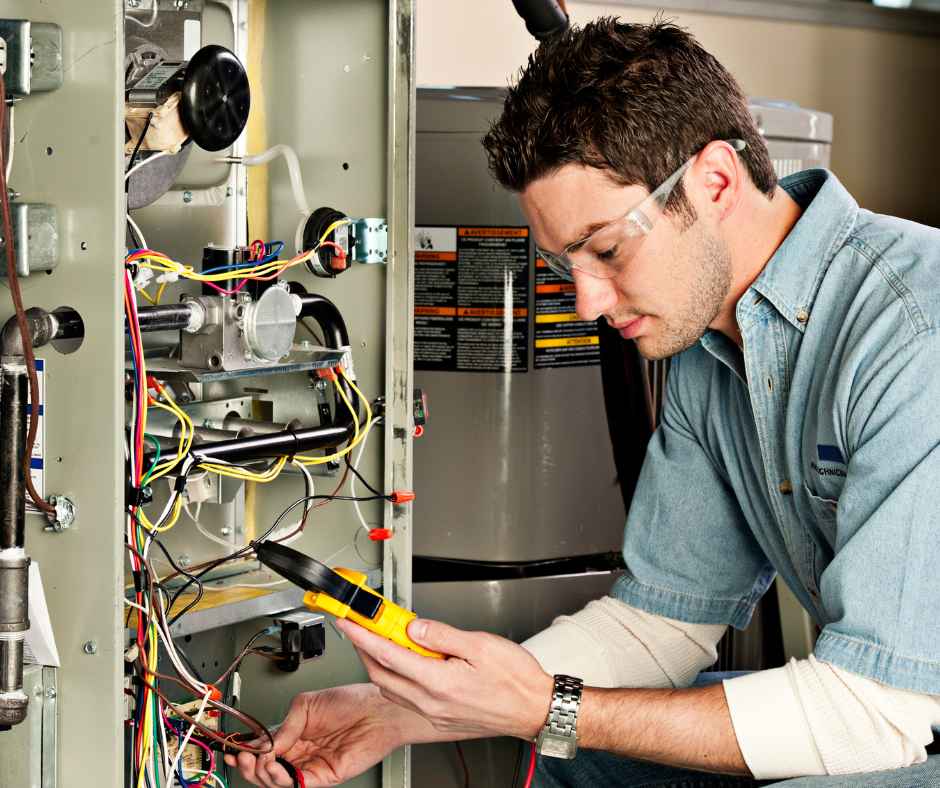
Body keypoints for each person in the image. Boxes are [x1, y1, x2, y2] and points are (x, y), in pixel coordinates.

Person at [228, 18, 940, 788]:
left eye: (607, 249)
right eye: (567, 262)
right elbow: (663, 623)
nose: (587, 304)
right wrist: (404, 712)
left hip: (898, 713)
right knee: (583, 754)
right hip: (897, 714)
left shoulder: (911, 328)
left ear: (716, 183)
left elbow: (877, 715)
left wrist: (547, 707)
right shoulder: (710, 343)